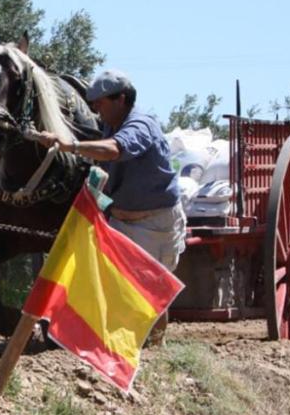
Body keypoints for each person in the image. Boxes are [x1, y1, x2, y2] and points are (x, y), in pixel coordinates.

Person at [33, 69, 185, 344]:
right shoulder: (109, 127)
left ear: (122, 99)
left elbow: (114, 150)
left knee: (149, 292)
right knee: (112, 288)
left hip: (154, 224)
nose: (96, 110)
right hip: (120, 220)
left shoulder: (141, 125)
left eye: (100, 104)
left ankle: (154, 349)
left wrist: (71, 146)